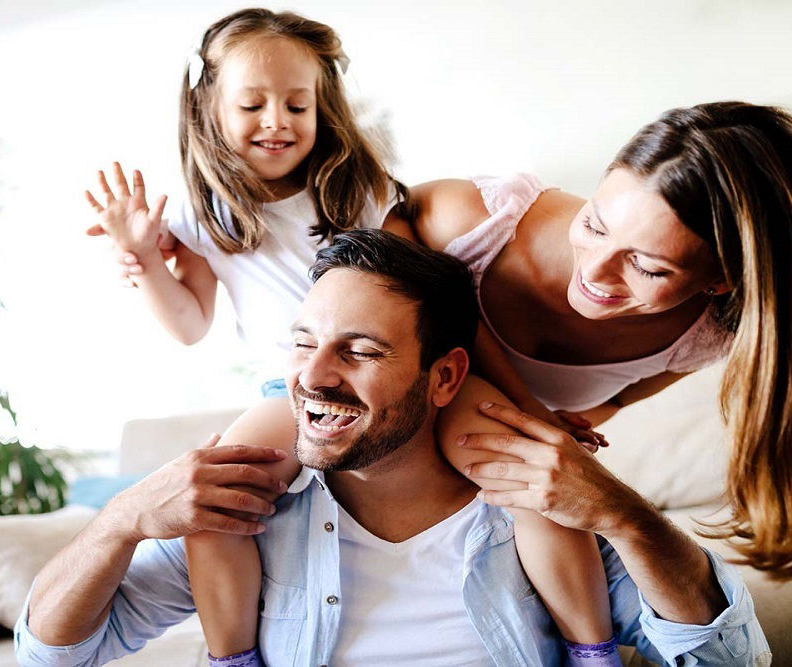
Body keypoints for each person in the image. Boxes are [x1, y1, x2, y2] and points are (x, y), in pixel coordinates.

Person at [85, 8, 620, 660]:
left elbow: (437, 310)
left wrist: (532, 409)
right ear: (209, 109)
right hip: (289, 392)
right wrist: (143, 258)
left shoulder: (360, 192)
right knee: (219, 501)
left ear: (323, 107)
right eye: (252, 105)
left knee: (530, 477)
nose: (277, 121)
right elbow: (189, 324)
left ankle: (592, 648)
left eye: (297, 105)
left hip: (407, 374)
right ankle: (234, 656)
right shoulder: (205, 216)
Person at [16, 229, 769, 666]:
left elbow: (727, 659)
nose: (312, 377)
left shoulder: (533, 506)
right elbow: (51, 653)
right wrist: (120, 520)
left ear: (445, 377)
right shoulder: (247, 510)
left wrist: (627, 517)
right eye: (303, 342)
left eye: (360, 350)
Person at [402, 101, 792, 584]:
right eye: (594, 225)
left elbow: (616, 399)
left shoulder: (706, 336)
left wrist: (559, 434)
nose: (593, 271)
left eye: (647, 266)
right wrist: (526, 405)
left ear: (720, 281)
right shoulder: (467, 221)